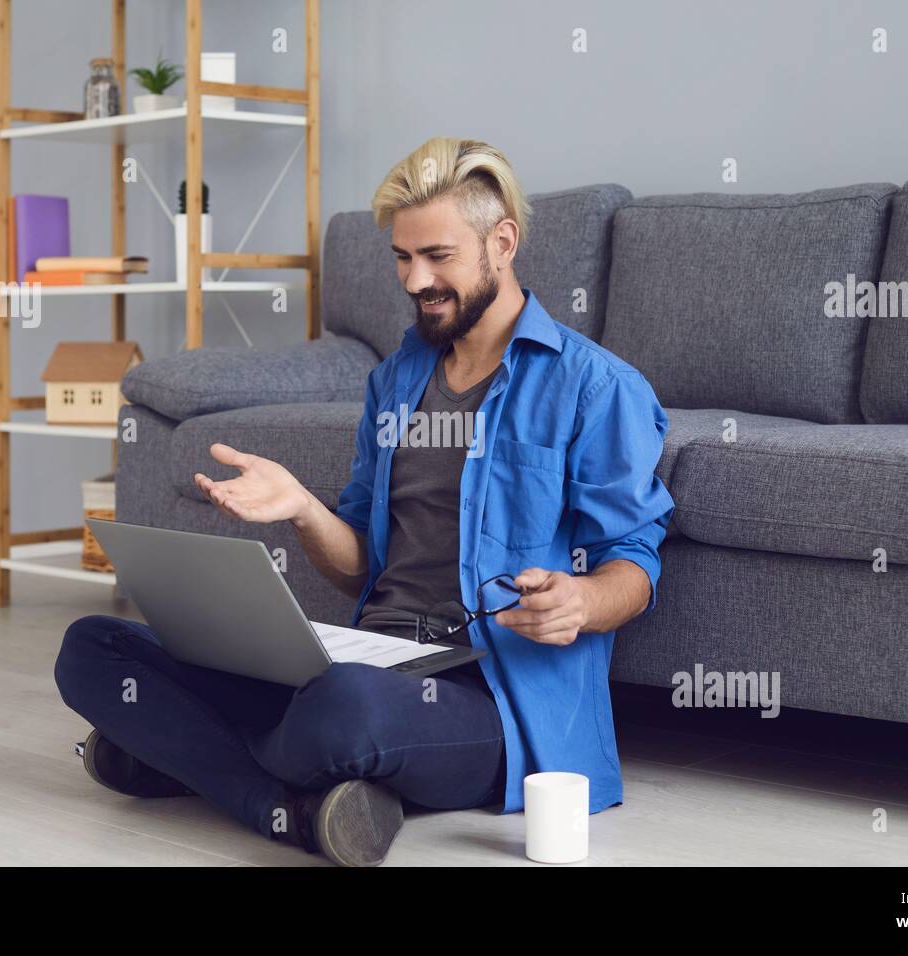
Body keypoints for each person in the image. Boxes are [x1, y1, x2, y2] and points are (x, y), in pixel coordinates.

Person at [54, 136, 674, 866]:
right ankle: (292, 805)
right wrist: (304, 509)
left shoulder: (595, 386)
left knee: (341, 712)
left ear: (501, 242)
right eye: (402, 259)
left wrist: (581, 600)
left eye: (438, 256)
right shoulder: (396, 382)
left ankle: (185, 758)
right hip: (371, 657)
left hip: (490, 696)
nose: (416, 280)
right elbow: (359, 569)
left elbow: (633, 561)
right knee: (94, 648)